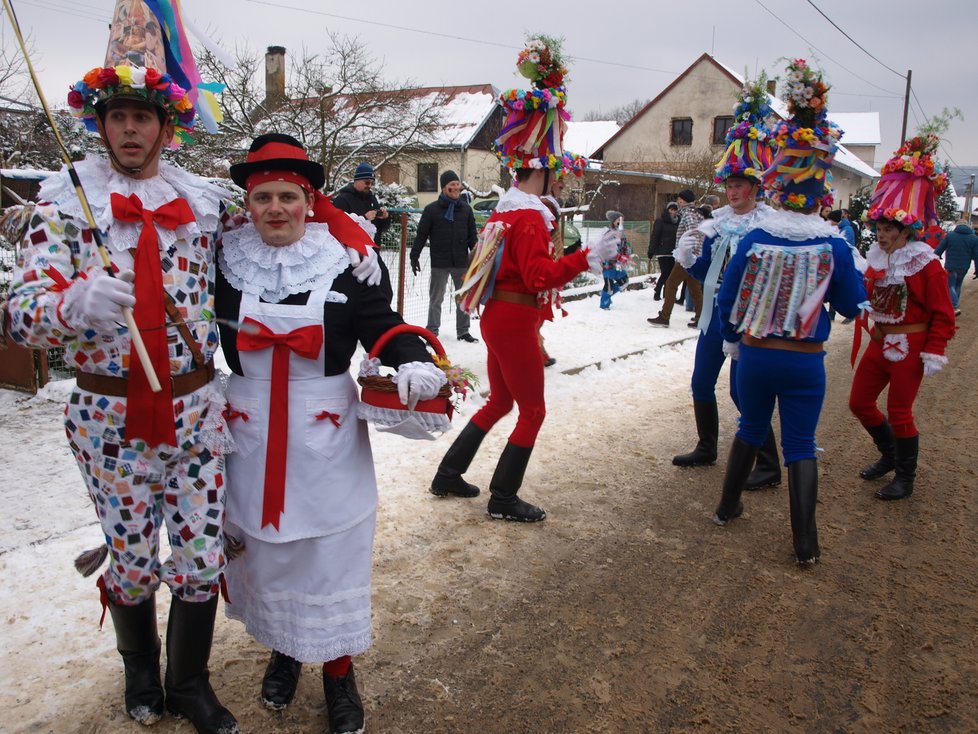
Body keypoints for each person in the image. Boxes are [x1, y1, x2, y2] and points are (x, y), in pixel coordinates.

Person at [5, 8, 241, 731]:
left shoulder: (203, 205)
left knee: (200, 555)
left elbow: (278, 230)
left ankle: (190, 683)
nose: (131, 130)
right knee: (133, 560)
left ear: (166, 127)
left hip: (198, 410)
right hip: (108, 419)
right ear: (100, 125)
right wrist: (72, 303)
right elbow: (16, 314)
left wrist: (348, 237)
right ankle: (139, 674)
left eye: (144, 117)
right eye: (119, 117)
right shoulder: (62, 205)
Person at [216, 134, 447, 734]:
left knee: (329, 555)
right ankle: (284, 649)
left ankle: (338, 671)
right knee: (268, 553)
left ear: (308, 199)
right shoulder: (222, 257)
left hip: (325, 436)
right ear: (248, 201)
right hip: (248, 434)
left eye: (287, 196)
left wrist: (414, 357)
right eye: (262, 196)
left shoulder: (347, 259)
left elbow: (382, 325)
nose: (274, 208)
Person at [429, 35, 617, 521]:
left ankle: (449, 475)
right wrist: (586, 259)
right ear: (545, 171)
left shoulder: (507, 210)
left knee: (502, 402)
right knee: (532, 411)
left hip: (500, 316)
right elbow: (537, 277)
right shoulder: (529, 216)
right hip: (513, 316)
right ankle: (504, 498)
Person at [712, 59, 866, 565]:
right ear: (819, 193)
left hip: (755, 356)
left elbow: (729, 297)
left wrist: (734, 337)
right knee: (800, 442)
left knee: (750, 427)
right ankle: (805, 543)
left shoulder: (755, 237)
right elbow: (848, 303)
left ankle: (727, 507)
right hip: (804, 360)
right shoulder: (833, 245)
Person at [673, 77, 781, 489]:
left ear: (755, 187)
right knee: (701, 381)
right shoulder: (716, 225)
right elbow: (707, 275)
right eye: (729, 185)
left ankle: (768, 463)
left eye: (740, 185)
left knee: (741, 393)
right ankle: (707, 446)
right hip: (718, 313)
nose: (733, 191)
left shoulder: (768, 225)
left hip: (751, 317)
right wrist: (690, 259)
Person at [849, 135, 956, 501]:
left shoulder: (925, 263)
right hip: (880, 341)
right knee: (859, 403)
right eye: (878, 229)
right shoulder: (877, 258)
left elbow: (944, 313)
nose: (881, 236)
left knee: (899, 411)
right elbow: (867, 296)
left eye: (888, 230)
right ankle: (889, 454)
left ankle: (905, 477)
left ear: (906, 230)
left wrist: (934, 348)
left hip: (911, 345)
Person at [409, 170, 479, 342]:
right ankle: (432, 332)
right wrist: (414, 255)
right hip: (439, 262)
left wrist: (477, 256)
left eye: (457, 184)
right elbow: (422, 234)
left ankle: (463, 331)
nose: (455, 188)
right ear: (443, 188)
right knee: (436, 299)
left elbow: (472, 236)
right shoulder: (432, 210)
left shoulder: (466, 210)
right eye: (451, 185)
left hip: (461, 262)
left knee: (462, 298)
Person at [648, 188, 705, 327]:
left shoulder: (688, 214)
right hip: (693, 256)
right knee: (694, 287)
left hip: (687, 257)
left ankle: (664, 316)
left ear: (685, 201)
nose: (678, 202)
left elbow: (693, 232)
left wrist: (688, 253)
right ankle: (701, 317)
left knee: (671, 284)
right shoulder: (695, 213)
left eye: (680, 199)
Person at [332, 162, 391, 245]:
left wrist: (385, 217)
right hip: (352, 253)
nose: (369, 186)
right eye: (367, 182)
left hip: (373, 252)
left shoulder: (371, 198)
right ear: (357, 180)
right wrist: (364, 218)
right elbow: (339, 229)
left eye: (372, 183)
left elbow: (381, 228)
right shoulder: (343, 200)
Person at [935, 220, 978, 315]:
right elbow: (976, 255)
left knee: (950, 285)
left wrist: (932, 258)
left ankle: (954, 306)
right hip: (964, 267)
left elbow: (940, 249)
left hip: (951, 266)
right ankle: (954, 306)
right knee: (958, 285)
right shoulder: (974, 238)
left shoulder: (950, 236)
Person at [599, 210, 630, 309]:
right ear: (613, 221)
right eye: (618, 220)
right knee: (608, 285)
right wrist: (618, 256)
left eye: (622, 220)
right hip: (608, 264)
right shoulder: (608, 233)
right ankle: (604, 305)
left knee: (624, 281)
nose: (621, 222)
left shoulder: (622, 234)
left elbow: (624, 248)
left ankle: (608, 295)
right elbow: (607, 249)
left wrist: (626, 256)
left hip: (618, 265)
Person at [649, 202, 679, 301]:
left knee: (671, 275)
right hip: (662, 251)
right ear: (667, 210)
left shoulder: (678, 221)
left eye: (675, 210)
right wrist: (651, 250)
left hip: (673, 251)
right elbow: (655, 236)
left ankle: (668, 294)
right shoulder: (660, 221)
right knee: (665, 273)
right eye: (671, 209)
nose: (673, 212)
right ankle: (657, 291)